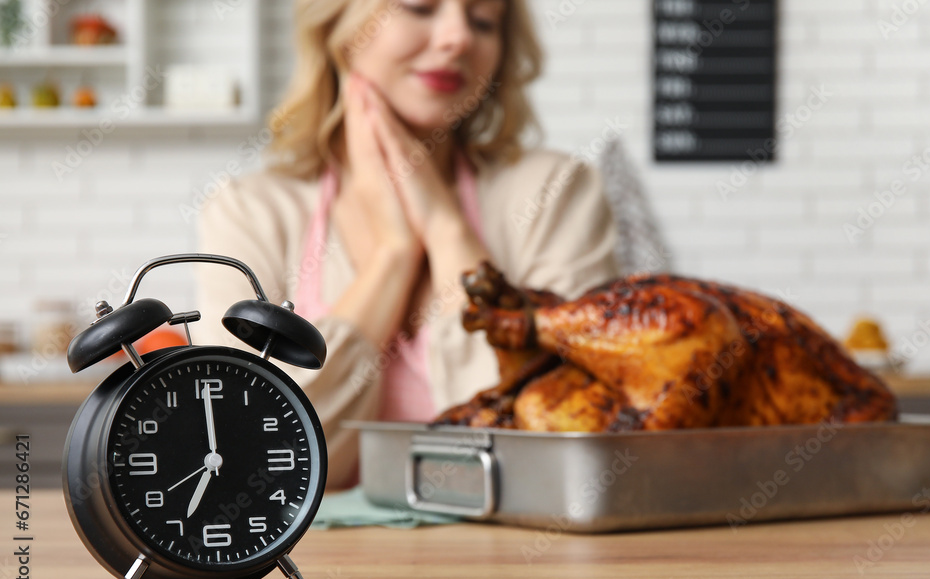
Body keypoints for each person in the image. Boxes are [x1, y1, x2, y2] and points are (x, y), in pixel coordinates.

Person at [196, 0, 620, 490]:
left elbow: (560, 447)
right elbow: (244, 458)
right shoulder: (250, 211)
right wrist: (392, 257)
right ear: (339, 25)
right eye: (419, 7)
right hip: (309, 564)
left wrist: (444, 227)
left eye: (484, 20)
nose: (458, 38)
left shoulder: (555, 193)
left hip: (510, 564)